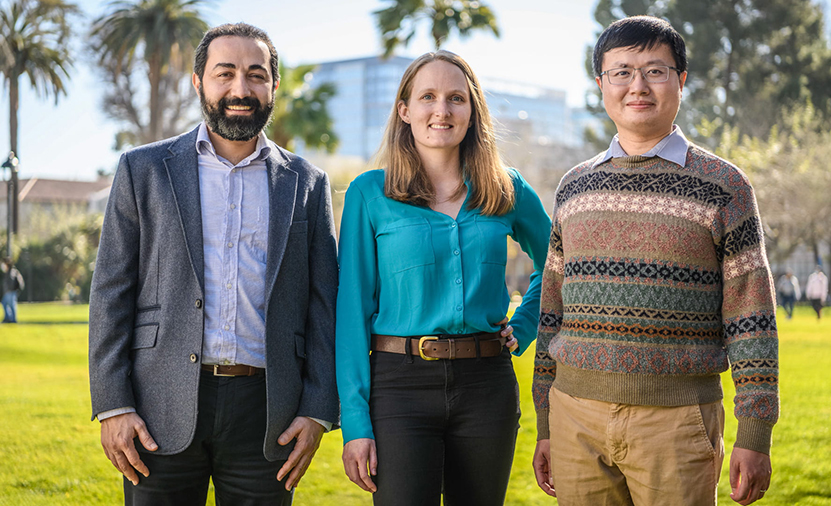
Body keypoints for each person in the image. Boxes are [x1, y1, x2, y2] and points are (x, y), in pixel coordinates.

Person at [88, 23, 339, 505]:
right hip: (158, 406)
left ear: (274, 85)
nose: (240, 89)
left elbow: (323, 303)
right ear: (198, 82)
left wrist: (316, 409)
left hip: (269, 415)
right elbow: (110, 291)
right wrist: (113, 404)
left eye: (255, 75)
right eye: (225, 73)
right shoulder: (143, 169)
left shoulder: (307, 183)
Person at [532, 16, 779, 506]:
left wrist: (755, 431)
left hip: (678, 421)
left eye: (655, 71)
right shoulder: (574, 187)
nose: (637, 86)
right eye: (621, 72)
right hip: (574, 416)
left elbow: (752, 314)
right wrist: (545, 420)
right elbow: (552, 309)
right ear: (601, 84)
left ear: (681, 80)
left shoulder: (724, 185)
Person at [336, 50, 551, 506]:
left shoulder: (506, 188)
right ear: (404, 110)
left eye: (456, 98)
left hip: (487, 385)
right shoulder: (368, 193)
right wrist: (355, 423)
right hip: (398, 388)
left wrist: (526, 323)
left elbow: (560, 262)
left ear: (472, 111)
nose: (442, 110)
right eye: (427, 97)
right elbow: (351, 312)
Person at [1, 257, 24, 323]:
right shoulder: (8, 271)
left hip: (11, 291)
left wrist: (10, 289)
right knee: (4, 303)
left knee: (11, 305)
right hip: (9, 292)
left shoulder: (12, 271)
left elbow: (12, 281)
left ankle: (13, 320)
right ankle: (8, 318)